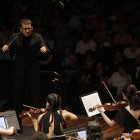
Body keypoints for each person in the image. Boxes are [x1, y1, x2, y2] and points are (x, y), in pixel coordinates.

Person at [1, 18, 50, 128]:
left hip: (33, 73)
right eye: (25, 29)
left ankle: (39, 126)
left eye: (29, 28)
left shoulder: (37, 37)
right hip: (18, 73)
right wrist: (4, 48)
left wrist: (44, 50)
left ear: (32, 28)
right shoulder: (15, 36)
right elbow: (6, 47)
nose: (27, 31)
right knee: (17, 99)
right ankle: (16, 126)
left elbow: (46, 51)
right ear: (20, 29)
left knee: (35, 99)